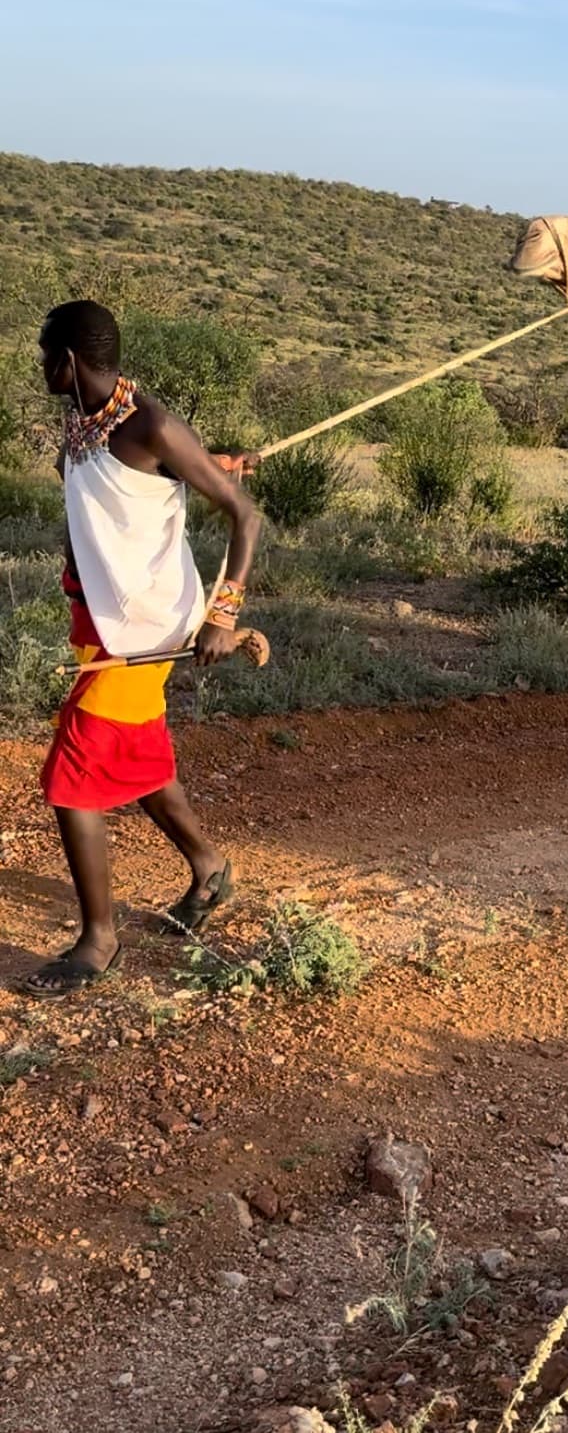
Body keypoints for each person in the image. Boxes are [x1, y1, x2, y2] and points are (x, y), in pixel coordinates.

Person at [25, 299, 262, 999]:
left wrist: (225, 612)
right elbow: (131, 494)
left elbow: (245, 515)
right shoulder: (86, 426)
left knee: (72, 781)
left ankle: (100, 939)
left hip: (141, 624)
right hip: (100, 617)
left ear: (68, 361)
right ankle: (209, 868)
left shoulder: (150, 423)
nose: (42, 367)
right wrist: (199, 466)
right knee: (139, 758)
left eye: (46, 356)